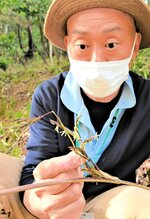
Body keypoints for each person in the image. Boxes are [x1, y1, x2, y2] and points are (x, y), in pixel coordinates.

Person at [1, 0, 149, 219]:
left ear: (135, 45)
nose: (97, 61)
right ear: (68, 44)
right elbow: (35, 167)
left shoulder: (147, 98)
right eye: (82, 46)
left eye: (111, 45)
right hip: (46, 203)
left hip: (113, 201)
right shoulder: (48, 95)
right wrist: (40, 199)